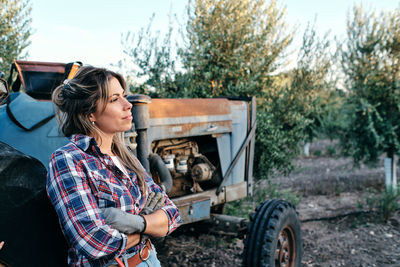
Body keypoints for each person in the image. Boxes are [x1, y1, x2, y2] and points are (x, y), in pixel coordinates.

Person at [46, 66, 182, 267]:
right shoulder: (68, 160)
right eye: (114, 99)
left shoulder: (127, 158)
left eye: (124, 96)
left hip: (149, 259)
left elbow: (172, 215)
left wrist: (134, 222)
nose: (128, 105)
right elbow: (95, 242)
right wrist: (150, 226)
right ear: (89, 112)